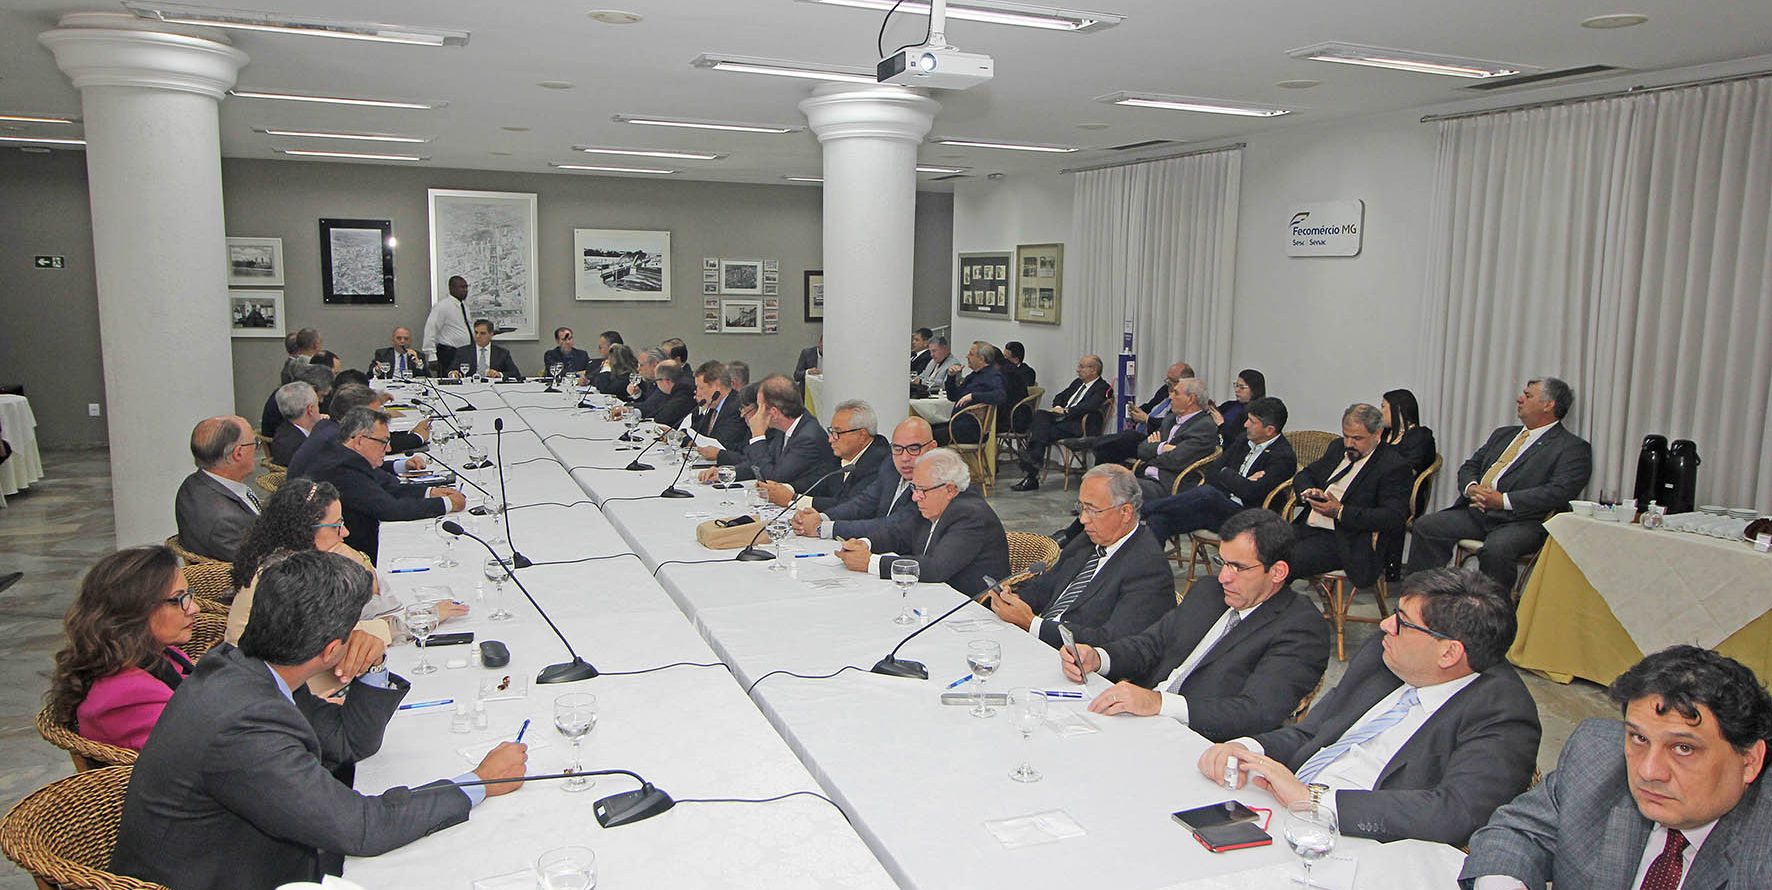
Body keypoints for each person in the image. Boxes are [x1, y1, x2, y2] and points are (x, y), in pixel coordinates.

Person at [110, 550, 528, 890]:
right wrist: (478, 782)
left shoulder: (248, 664)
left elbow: (348, 742)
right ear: (330, 651)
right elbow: (361, 828)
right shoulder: (244, 723)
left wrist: (373, 665)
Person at [1197, 567, 1540, 846]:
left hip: (1362, 843)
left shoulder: (1502, 714)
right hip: (1280, 810)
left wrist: (1312, 800)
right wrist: (1247, 749)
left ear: (1449, 653)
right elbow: (1311, 733)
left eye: (1403, 622)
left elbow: (1454, 812)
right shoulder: (1384, 655)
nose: (1385, 625)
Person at [1460, 645, 1772, 890]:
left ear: (1749, 760)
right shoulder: (1597, 757)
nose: (1648, 771)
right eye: (1639, 738)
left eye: (1683, 748)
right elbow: (1517, 834)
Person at [1064, 509, 1330, 742]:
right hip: (1138, 722)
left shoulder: (1301, 628)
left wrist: (1160, 703)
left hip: (1198, 744)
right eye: (1222, 562)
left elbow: (1256, 712)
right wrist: (1099, 658)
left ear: (1278, 572)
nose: (1223, 577)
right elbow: (1151, 644)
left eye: (1237, 567)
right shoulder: (1209, 593)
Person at [228, 479, 465, 696]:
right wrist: (420, 619)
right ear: (304, 530)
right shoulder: (286, 579)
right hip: (285, 694)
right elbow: (339, 637)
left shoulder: (287, 559)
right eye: (336, 526)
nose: (345, 532)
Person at [1406, 377, 1593, 589]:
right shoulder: (1503, 435)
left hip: (1523, 521)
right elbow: (1470, 466)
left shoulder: (1571, 447)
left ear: (1548, 405)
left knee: (1496, 550)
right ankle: (1422, 597)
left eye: (1528, 396)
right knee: (1427, 526)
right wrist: (1472, 488)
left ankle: (1493, 607)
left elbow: (1559, 491)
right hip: (1478, 513)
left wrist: (1502, 500)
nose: (1519, 399)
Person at [987, 465, 1173, 650]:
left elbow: (1111, 642)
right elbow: (1046, 586)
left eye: (1092, 510)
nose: (1083, 519)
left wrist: (1032, 624)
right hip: (1036, 641)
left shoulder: (1148, 568)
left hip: (1074, 658)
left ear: (1125, 512)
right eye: (1081, 507)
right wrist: (1015, 599)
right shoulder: (1088, 538)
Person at [46, 546, 199, 751]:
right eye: (178, 600)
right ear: (135, 610)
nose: (194, 608)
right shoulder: (128, 694)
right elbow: (200, 752)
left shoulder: (151, 654)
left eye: (189, 595)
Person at [835, 448, 1009, 597]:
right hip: (932, 596)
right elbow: (897, 534)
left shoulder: (970, 515)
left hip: (972, 607)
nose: (915, 497)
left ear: (949, 489)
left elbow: (936, 568)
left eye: (922, 490)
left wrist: (871, 563)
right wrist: (865, 544)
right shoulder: (933, 506)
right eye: (914, 488)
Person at [302, 408, 465, 563]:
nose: (389, 448)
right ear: (360, 441)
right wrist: (446, 504)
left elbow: (388, 485)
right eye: (384, 442)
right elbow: (389, 509)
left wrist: (431, 492)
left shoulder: (345, 455)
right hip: (348, 555)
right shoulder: (340, 469)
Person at [1136, 396, 1297, 544]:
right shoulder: (1244, 440)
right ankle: (1152, 565)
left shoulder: (1282, 457)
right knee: (1159, 520)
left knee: (1208, 493)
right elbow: (1212, 472)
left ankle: (1143, 509)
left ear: (1269, 430)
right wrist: (1238, 481)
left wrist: (1227, 474)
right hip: (1219, 508)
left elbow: (1251, 492)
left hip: (1249, 518)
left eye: (1252, 422)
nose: (1245, 425)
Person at [1284, 403, 1413, 587]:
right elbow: (1306, 475)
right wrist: (1309, 491)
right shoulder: (1338, 448)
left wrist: (1340, 511)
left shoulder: (1393, 466)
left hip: (1345, 539)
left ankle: (1270, 602)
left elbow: (1393, 517)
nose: (1349, 444)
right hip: (1308, 526)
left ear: (1377, 434)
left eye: (1357, 438)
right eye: (1346, 436)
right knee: (1261, 546)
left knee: (1285, 561)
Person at [794, 415, 932, 541]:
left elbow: (893, 525)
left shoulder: (933, 483)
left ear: (932, 447)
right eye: (897, 449)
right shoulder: (890, 465)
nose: (905, 458)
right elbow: (862, 503)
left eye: (914, 449)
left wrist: (823, 528)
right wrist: (822, 517)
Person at [696, 375, 838, 492]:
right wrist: (727, 473)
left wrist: (758, 436)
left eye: (759, 407)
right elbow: (760, 464)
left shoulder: (807, 438)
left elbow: (773, 477)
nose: (757, 413)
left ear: (774, 413)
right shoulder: (785, 428)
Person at [760, 400, 886, 511]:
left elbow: (849, 505)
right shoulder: (843, 455)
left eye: (837, 433)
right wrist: (786, 488)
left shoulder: (878, 462)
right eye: (831, 431)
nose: (830, 439)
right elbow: (821, 482)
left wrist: (794, 499)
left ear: (862, 435)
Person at [1011, 354, 1110, 491]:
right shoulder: (1077, 383)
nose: (1078, 370)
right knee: (1040, 415)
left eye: (1082, 367)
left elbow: (1090, 406)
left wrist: (1067, 411)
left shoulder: (1102, 387)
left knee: (1040, 430)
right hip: (1062, 420)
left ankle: (1032, 469)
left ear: (1094, 370)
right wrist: (1058, 407)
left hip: (1079, 424)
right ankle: (1034, 461)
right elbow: (1060, 396)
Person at [288, 384, 428, 479]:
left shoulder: (329, 426)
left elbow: (362, 465)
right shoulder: (335, 440)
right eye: (373, 414)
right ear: (354, 414)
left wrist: (402, 465)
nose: (378, 419)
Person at [174, 415, 262, 562]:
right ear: (238, 453)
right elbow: (259, 564)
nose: (256, 449)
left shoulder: (191, 484)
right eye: (255, 443)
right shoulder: (226, 522)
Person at [1085, 361, 1193, 468]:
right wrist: (1136, 410)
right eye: (1167, 379)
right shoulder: (1165, 390)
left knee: (1129, 436)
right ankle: (1097, 476)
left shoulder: (1185, 400)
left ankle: (1091, 442)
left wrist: (1147, 419)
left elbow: (1169, 423)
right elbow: (1150, 405)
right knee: (1106, 450)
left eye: (1172, 381)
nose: (1168, 383)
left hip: (1154, 439)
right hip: (1142, 432)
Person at [1378, 388, 1437, 580]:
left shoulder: (1420, 436)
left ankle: (1390, 568)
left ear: (1398, 409)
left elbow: (1409, 470)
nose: (1380, 412)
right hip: (1379, 488)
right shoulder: (1384, 434)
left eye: (1384, 407)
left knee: (1387, 506)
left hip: (1405, 493)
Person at [1132, 376, 1219, 500]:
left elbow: (1176, 460)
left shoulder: (1204, 426)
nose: (1170, 397)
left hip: (1167, 485)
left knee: (1117, 488)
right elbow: (1141, 449)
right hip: (1145, 475)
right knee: (1109, 478)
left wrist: (1153, 451)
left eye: (1176, 393)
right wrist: (1162, 448)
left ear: (1191, 399)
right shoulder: (1170, 419)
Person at [932, 341, 1007, 446]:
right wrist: (951, 376)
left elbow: (1000, 395)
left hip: (972, 430)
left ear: (981, 359)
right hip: (959, 424)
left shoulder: (992, 375)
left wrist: (972, 396)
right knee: (925, 428)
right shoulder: (973, 376)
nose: (967, 356)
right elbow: (953, 396)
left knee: (928, 435)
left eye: (971, 354)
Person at [613, 359, 696, 428]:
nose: (656, 384)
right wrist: (630, 411)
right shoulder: (677, 388)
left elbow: (662, 418)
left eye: (657, 380)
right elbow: (654, 406)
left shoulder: (684, 391)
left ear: (666, 381)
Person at [691, 360, 749, 452]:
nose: (697, 392)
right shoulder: (713, 406)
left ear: (716, 387)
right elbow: (694, 432)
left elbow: (722, 443)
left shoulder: (737, 406)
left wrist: (695, 443)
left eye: (701, 388)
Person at [422, 275, 474, 370]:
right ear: (452, 288)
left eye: (466, 287)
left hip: (464, 352)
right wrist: (432, 355)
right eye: (462, 287)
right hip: (448, 353)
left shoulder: (464, 307)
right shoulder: (442, 306)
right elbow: (431, 330)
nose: (465, 290)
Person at [449, 319, 523, 381]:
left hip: (493, 386)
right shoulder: (463, 351)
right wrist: (453, 373)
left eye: (482, 333)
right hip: (470, 387)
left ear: (491, 334)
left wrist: (498, 374)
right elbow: (450, 370)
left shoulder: (502, 353)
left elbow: (515, 373)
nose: (478, 336)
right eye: (476, 332)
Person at [1208, 370, 1265, 448]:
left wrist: (1221, 424)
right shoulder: (1230, 405)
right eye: (1236, 385)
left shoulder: (1256, 413)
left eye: (1242, 387)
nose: (1237, 390)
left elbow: (1238, 439)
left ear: (1254, 390)